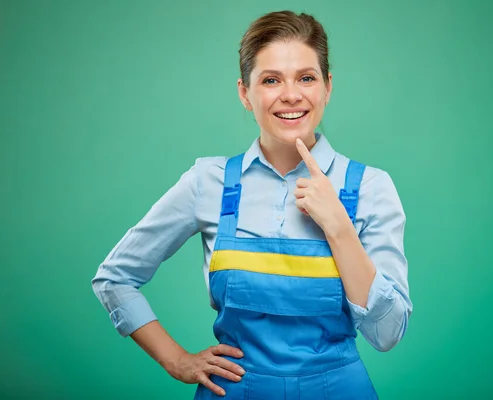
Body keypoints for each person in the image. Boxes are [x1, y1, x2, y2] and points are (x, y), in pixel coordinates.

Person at [92, 10, 412, 400]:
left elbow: (388, 334)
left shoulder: (371, 188)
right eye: (271, 80)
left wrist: (340, 229)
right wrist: (176, 361)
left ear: (327, 88)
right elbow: (115, 278)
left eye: (306, 78)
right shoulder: (207, 183)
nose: (291, 94)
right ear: (245, 93)